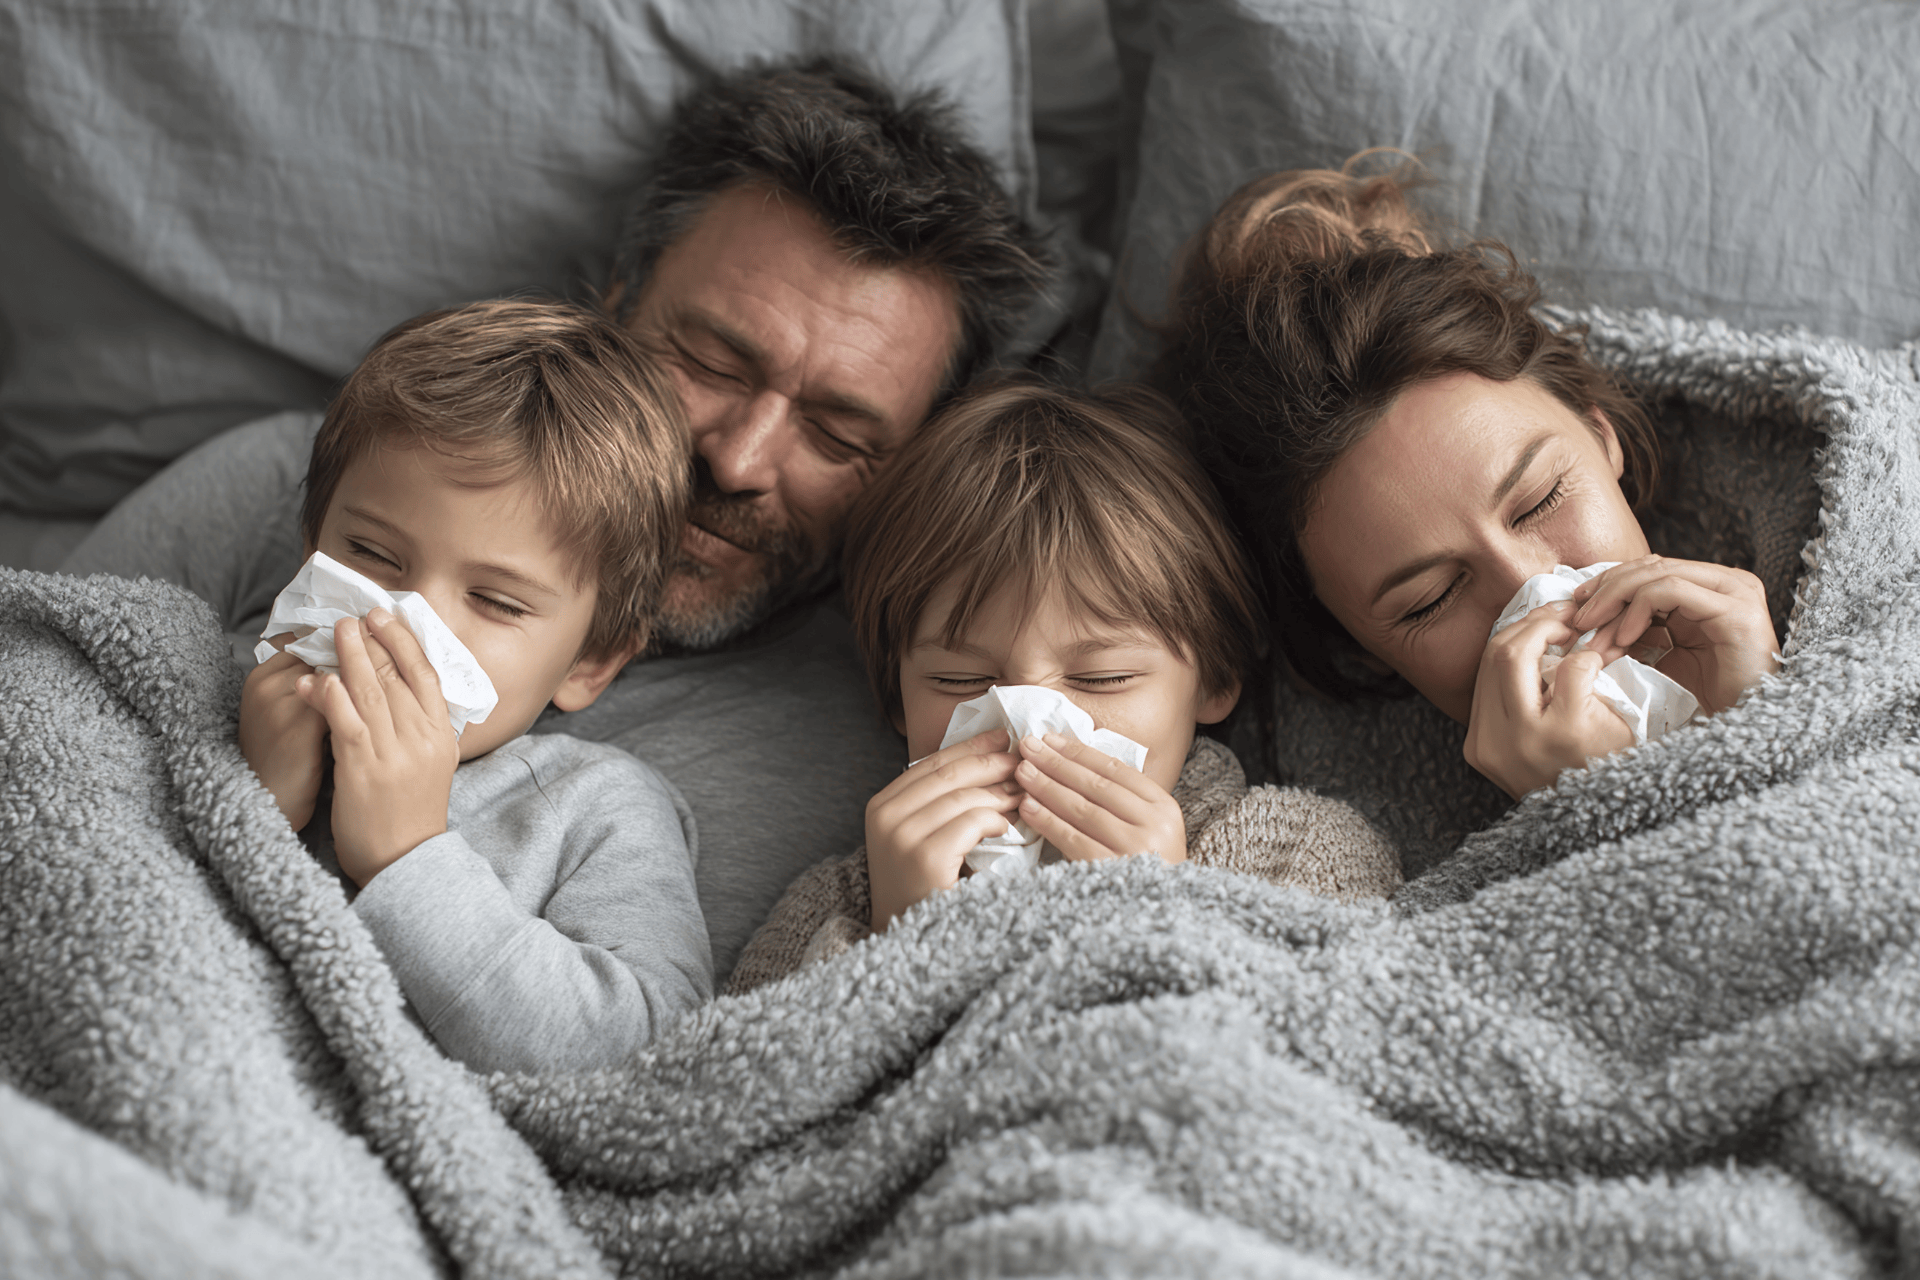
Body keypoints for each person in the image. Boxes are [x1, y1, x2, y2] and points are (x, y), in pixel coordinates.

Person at [62, 58, 1053, 982]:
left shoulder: (897, 724)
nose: (739, 458)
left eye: (839, 434)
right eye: (708, 363)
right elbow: (39, 724)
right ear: (615, 302)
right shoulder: (310, 484)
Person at [726, 382, 1400, 993]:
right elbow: (720, 1100)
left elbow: (1340, 1067)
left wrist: (1158, 921)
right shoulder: (840, 900)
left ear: (1218, 677)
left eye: (1101, 678)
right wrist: (898, 943)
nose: (1031, 729)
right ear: (897, 696)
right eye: (961, 681)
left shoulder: (1298, 854)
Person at [1157, 161, 1781, 799]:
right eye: (1430, 598)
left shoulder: (1836, 526)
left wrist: (1769, 713)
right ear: (1356, 646)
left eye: (1540, 501)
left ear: (1601, 434)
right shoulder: (1311, 843)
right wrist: (1582, 806)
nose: (1535, 593)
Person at [239, 299, 711, 1074]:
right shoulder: (220, 682)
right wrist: (250, 807)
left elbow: (652, 1055)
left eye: (496, 601)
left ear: (591, 663)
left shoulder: (598, 808)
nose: (407, 623)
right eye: (372, 554)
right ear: (309, 550)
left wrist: (408, 857)